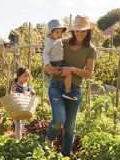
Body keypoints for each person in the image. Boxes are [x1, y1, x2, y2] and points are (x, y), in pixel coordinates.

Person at [43, 15, 97, 157]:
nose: (79, 34)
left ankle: (65, 156)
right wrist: (48, 66)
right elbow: (47, 51)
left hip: (75, 89)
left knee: (69, 127)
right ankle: (49, 139)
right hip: (56, 85)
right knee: (58, 119)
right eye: (77, 31)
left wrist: (72, 69)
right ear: (73, 31)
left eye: (83, 31)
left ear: (88, 32)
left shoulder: (90, 49)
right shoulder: (63, 42)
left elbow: (89, 73)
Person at [43, 19, 76, 101]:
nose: (60, 34)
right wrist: (48, 64)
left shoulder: (57, 40)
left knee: (66, 72)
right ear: (51, 32)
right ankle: (67, 91)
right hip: (55, 63)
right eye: (57, 32)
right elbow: (45, 53)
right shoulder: (50, 42)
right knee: (69, 73)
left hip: (59, 62)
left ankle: (66, 90)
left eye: (61, 32)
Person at [9, 67, 36, 140]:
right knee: (18, 124)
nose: (27, 78)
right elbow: (10, 97)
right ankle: (18, 141)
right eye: (25, 76)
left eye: (28, 77)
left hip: (24, 109)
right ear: (19, 76)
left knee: (22, 125)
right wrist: (13, 91)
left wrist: (33, 93)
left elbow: (32, 96)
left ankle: (19, 139)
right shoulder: (15, 86)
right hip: (16, 109)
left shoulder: (28, 87)